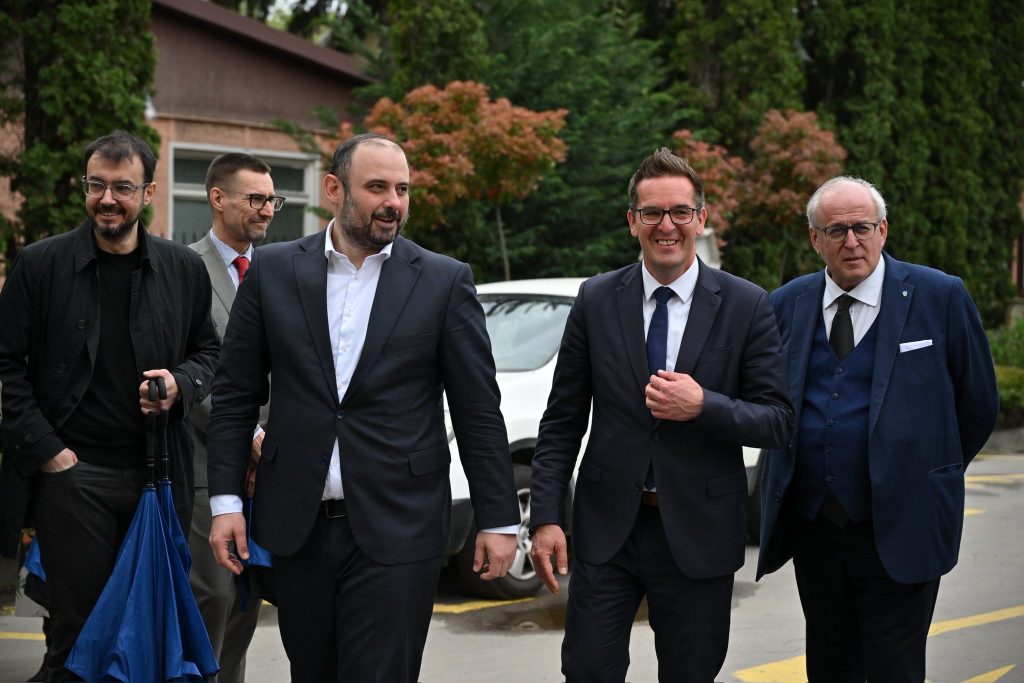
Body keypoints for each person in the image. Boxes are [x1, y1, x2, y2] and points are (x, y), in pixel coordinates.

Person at [205, 133, 521, 682]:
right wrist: (226, 502)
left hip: (400, 526)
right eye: (377, 187)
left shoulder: (444, 281)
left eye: (402, 189)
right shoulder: (274, 270)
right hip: (298, 527)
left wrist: (498, 518)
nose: (393, 202)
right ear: (334, 189)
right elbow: (235, 395)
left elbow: (477, 410)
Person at [529, 147, 794, 682]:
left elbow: (778, 420)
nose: (666, 225)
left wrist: (704, 405)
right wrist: (546, 517)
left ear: (701, 217)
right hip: (608, 529)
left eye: (679, 212)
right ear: (633, 221)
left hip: (700, 531)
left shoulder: (746, 304)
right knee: (586, 670)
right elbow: (561, 422)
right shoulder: (596, 299)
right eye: (651, 213)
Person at [757, 176, 999, 681]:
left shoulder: (940, 296)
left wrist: (926, 470)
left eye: (862, 227)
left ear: (883, 230)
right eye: (836, 230)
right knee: (830, 664)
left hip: (905, 523)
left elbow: (977, 404)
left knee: (896, 668)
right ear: (815, 238)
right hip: (816, 529)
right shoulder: (787, 303)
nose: (851, 241)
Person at [0, 130, 220, 682]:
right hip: (74, 479)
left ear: (148, 193)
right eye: (96, 185)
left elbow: (210, 353)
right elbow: (6, 365)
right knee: (77, 637)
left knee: (150, 633)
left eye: (122, 187)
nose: (107, 199)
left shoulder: (182, 268)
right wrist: (49, 451)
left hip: (159, 477)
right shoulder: (41, 264)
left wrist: (180, 384)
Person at [187, 152, 281, 682]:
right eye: (256, 198)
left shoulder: (279, 270)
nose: (266, 209)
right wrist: (250, 434)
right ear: (218, 198)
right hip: (207, 465)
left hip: (270, 470)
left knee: (249, 599)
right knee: (213, 596)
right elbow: (188, 371)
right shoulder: (185, 270)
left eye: (272, 200)